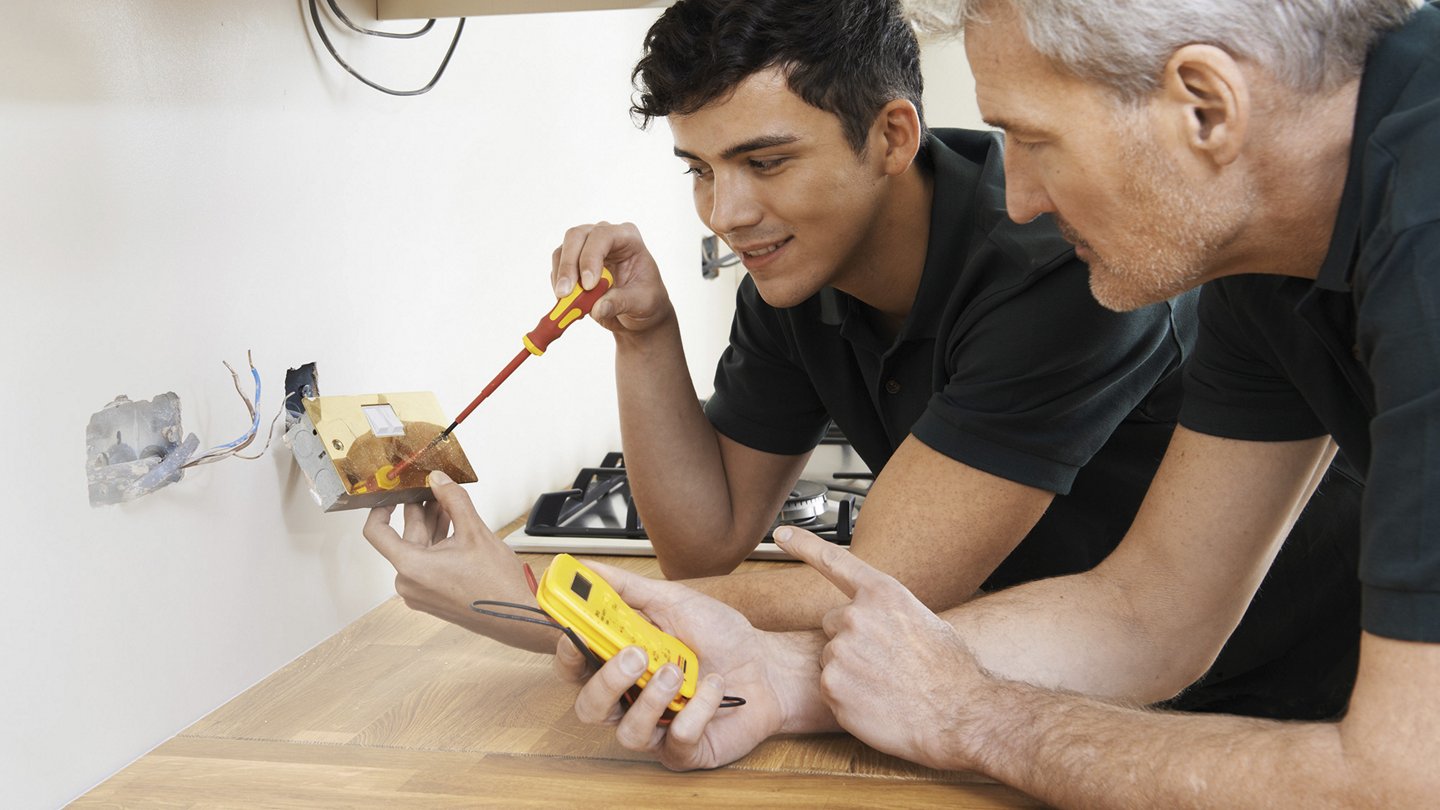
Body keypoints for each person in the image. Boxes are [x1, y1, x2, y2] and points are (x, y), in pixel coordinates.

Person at [366, 0, 1358, 717]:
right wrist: (645, 331)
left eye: (765, 161)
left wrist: (537, 603)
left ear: (892, 136)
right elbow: (704, 550)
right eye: (701, 172)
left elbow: (881, 587)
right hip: (1072, 670)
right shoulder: (798, 280)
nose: (726, 214)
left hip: (1279, 690)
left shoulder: (1057, 262)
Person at [557, 0, 1440, 804]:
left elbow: (1399, 776)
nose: (1018, 196)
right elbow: (1150, 611)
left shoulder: (1424, 229)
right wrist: (790, 673)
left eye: (1037, 139)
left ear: (1204, 105)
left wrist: (974, 715)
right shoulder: (1259, 250)